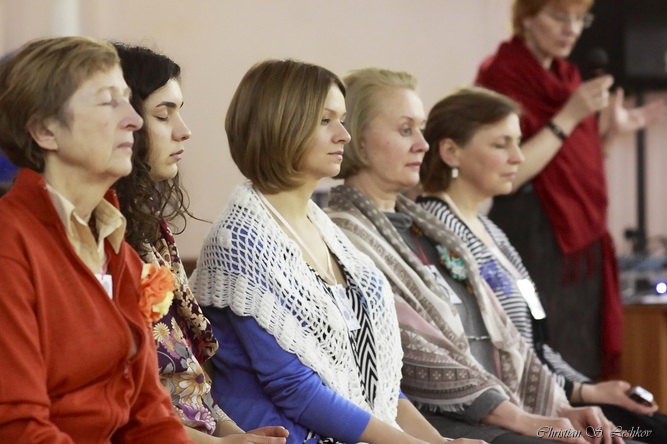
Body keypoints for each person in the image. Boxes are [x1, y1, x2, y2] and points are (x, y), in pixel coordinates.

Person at [325, 67, 629, 444]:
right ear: (357, 139)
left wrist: (560, 407)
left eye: (421, 129)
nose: (422, 144)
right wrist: (523, 418)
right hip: (434, 422)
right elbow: (410, 350)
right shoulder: (342, 234)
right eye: (405, 130)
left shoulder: (428, 229)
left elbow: (510, 336)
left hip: (498, 411)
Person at [189, 59, 483, 444]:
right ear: (280, 125)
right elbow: (296, 390)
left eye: (342, 120)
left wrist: (438, 442)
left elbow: (377, 380)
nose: (344, 135)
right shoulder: (240, 240)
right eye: (326, 120)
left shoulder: (329, 234)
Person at [419, 85, 667, 443]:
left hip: (550, 396)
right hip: (515, 411)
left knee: (654, 428)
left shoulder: (490, 230)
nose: (518, 157)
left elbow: (536, 344)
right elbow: (486, 356)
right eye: (501, 144)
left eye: (518, 143)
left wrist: (587, 389)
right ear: (450, 152)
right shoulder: (435, 231)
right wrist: (579, 394)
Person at [0, 36, 194, 443]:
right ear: (45, 130)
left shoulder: (114, 246)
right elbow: (18, 428)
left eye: (128, 100)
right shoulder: (10, 243)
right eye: (109, 102)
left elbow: (151, 417)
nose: (134, 120)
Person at [475, 0, 666, 380]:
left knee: (581, 359)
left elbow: (574, 167)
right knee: (543, 360)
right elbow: (510, 176)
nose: (573, 29)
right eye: (560, 16)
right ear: (527, 18)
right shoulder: (503, 73)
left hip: (581, 246)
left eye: (580, 19)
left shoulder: (568, 76)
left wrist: (612, 135)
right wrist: (571, 115)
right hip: (535, 236)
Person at [112, 43, 289, 444]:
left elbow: (187, 372)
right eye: (163, 114)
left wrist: (231, 432)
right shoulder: (101, 237)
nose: (184, 130)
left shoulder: (151, 230)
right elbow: (126, 401)